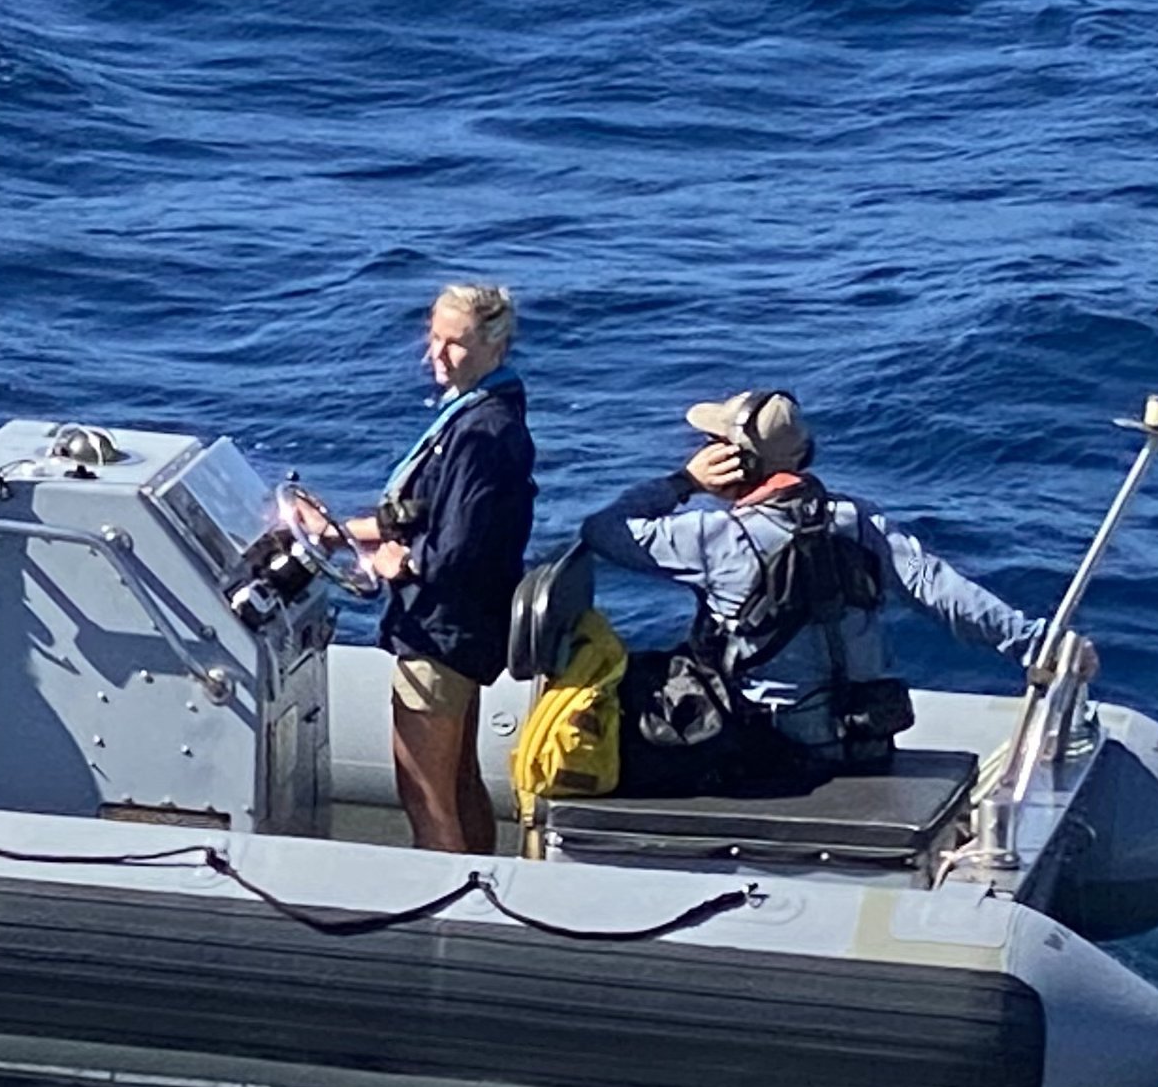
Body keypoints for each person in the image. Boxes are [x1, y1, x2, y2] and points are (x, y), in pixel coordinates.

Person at [577, 388, 1079, 791]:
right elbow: (941, 591)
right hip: (868, 742)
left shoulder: (714, 538)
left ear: (737, 461)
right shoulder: (858, 521)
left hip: (771, 752)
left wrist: (682, 482)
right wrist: (1042, 644)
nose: (701, 451)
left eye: (710, 445)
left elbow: (603, 530)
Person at [293, 282, 535, 854]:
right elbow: (424, 513)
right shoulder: (484, 413)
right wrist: (338, 531)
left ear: (496, 348)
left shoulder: (481, 433)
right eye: (434, 339)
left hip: (441, 632)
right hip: (467, 625)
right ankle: (483, 881)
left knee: (425, 797)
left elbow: (454, 548)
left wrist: (397, 565)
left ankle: (448, 916)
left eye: (456, 344)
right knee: (459, 781)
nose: (438, 355)